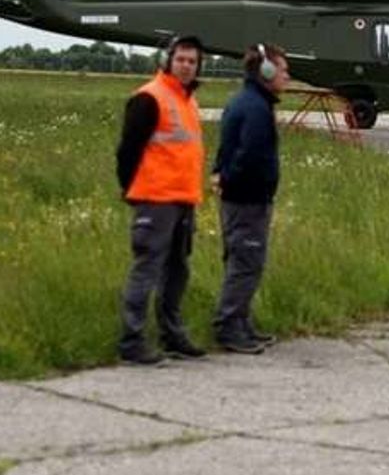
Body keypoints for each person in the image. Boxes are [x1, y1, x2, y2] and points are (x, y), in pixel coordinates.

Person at [115, 35, 207, 365]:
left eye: (192, 61)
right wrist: (131, 190)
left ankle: (172, 334)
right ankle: (132, 340)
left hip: (183, 199)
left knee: (177, 271)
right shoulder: (149, 98)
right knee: (147, 270)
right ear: (168, 60)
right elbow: (127, 151)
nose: (186, 66)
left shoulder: (188, 101)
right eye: (181, 59)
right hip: (155, 199)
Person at [211, 43, 290, 353]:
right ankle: (228, 326)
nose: (287, 75)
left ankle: (241, 323)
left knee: (244, 261)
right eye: (282, 69)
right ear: (266, 71)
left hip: (243, 198)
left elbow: (226, 151)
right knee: (246, 263)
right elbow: (247, 155)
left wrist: (221, 174)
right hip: (247, 200)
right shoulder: (255, 107)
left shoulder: (248, 102)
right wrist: (229, 179)